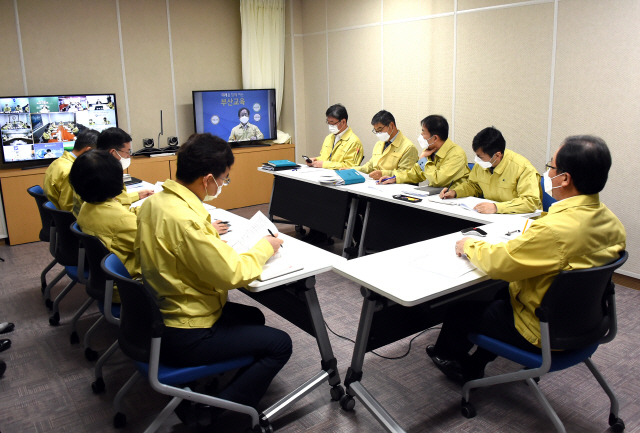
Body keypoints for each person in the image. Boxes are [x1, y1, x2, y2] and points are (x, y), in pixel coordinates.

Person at [426, 135, 626, 384]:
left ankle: (449, 359)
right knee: (502, 297)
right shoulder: (613, 223)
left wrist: (470, 245)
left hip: (543, 330)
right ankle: (476, 363)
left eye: (550, 167)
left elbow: (501, 264)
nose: (546, 173)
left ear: (565, 178)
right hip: (587, 323)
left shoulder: (553, 230)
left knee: (462, 309)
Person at [134, 133, 292, 421]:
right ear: (207, 179)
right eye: (224, 179)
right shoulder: (187, 220)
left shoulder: (155, 204)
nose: (223, 185)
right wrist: (264, 248)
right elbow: (232, 274)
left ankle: (211, 391)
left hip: (161, 312)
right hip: (186, 330)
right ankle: (222, 417)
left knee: (253, 318)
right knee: (280, 344)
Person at [69, 150, 140, 303]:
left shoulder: (86, 207)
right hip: (130, 288)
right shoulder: (121, 220)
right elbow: (156, 248)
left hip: (108, 282)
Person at [439, 127, 541, 214]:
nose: (477, 159)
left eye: (480, 156)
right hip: (491, 216)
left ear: (497, 155)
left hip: (521, 220)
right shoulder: (483, 164)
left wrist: (496, 207)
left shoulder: (523, 168)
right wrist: (455, 192)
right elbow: (474, 186)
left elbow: (530, 202)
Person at [72, 127, 153, 217]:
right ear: (113, 152)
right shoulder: (102, 175)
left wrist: (137, 195)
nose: (129, 156)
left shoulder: (90, 167)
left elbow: (115, 201)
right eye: (127, 152)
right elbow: (118, 211)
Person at [378, 115, 469, 187]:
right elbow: (416, 173)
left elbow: (437, 180)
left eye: (424, 132)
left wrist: (424, 160)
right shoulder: (431, 150)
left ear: (435, 138)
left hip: (454, 202)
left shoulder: (456, 154)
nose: (421, 135)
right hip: (437, 197)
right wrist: (395, 178)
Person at [43, 129, 99, 211]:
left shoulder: (59, 161)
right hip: (69, 220)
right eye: (99, 154)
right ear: (89, 150)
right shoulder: (71, 171)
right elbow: (70, 208)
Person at [354, 110, 419, 180]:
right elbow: (369, 167)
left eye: (380, 129)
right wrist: (352, 170)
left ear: (391, 125)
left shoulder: (408, 147)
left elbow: (406, 174)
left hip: (394, 187)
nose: (378, 133)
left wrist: (383, 174)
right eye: (376, 131)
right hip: (376, 185)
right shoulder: (379, 144)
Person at [307, 104, 364, 169]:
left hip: (340, 177)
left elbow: (350, 166)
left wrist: (324, 164)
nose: (330, 125)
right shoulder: (329, 138)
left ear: (343, 122)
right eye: (328, 122)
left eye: (332, 122)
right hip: (323, 174)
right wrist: (315, 160)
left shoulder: (354, 142)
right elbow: (325, 158)